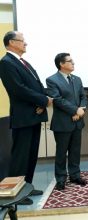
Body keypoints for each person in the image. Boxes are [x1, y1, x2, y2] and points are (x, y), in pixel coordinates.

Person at [0, 31, 53, 205]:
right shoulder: (6, 63)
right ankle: (15, 193)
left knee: (31, 154)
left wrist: (42, 102)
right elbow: (19, 89)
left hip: (34, 114)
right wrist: (43, 100)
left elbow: (35, 85)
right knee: (20, 156)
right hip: (23, 116)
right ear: (11, 43)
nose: (25, 44)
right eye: (22, 41)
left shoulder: (23, 62)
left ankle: (27, 186)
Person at [46, 53, 88, 190]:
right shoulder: (52, 80)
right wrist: (75, 110)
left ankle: (75, 176)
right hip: (63, 122)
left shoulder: (77, 79)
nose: (73, 63)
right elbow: (58, 100)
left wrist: (80, 110)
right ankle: (61, 178)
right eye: (70, 61)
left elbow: (83, 96)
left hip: (77, 121)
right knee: (61, 152)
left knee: (75, 151)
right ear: (61, 64)